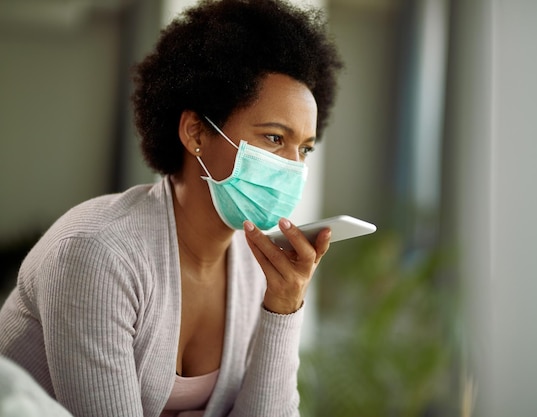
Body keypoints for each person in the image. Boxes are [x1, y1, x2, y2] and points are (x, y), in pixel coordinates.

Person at [0, 0, 343, 416]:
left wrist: (284, 307)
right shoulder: (98, 252)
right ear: (196, 132)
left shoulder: (259, 268)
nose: (293, 166)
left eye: (304, 148)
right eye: (274, 138)